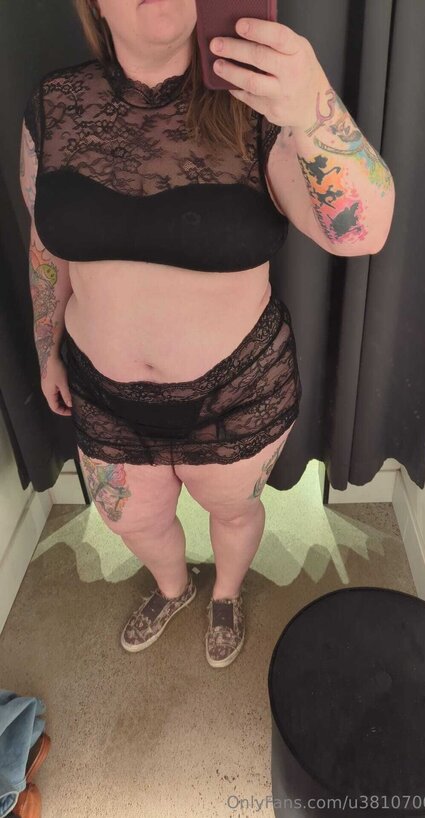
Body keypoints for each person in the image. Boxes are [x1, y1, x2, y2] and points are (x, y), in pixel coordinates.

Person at [19, 0, 303, 669]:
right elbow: (45, 245)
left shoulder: (258, 104)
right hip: (102, 392)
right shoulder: (54, 104)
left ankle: (225, 595)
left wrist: (311, 102)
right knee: (134, 521)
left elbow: (358, 230)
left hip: (239, 391)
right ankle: (174, 589)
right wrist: (45, 346)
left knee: (234, 514)